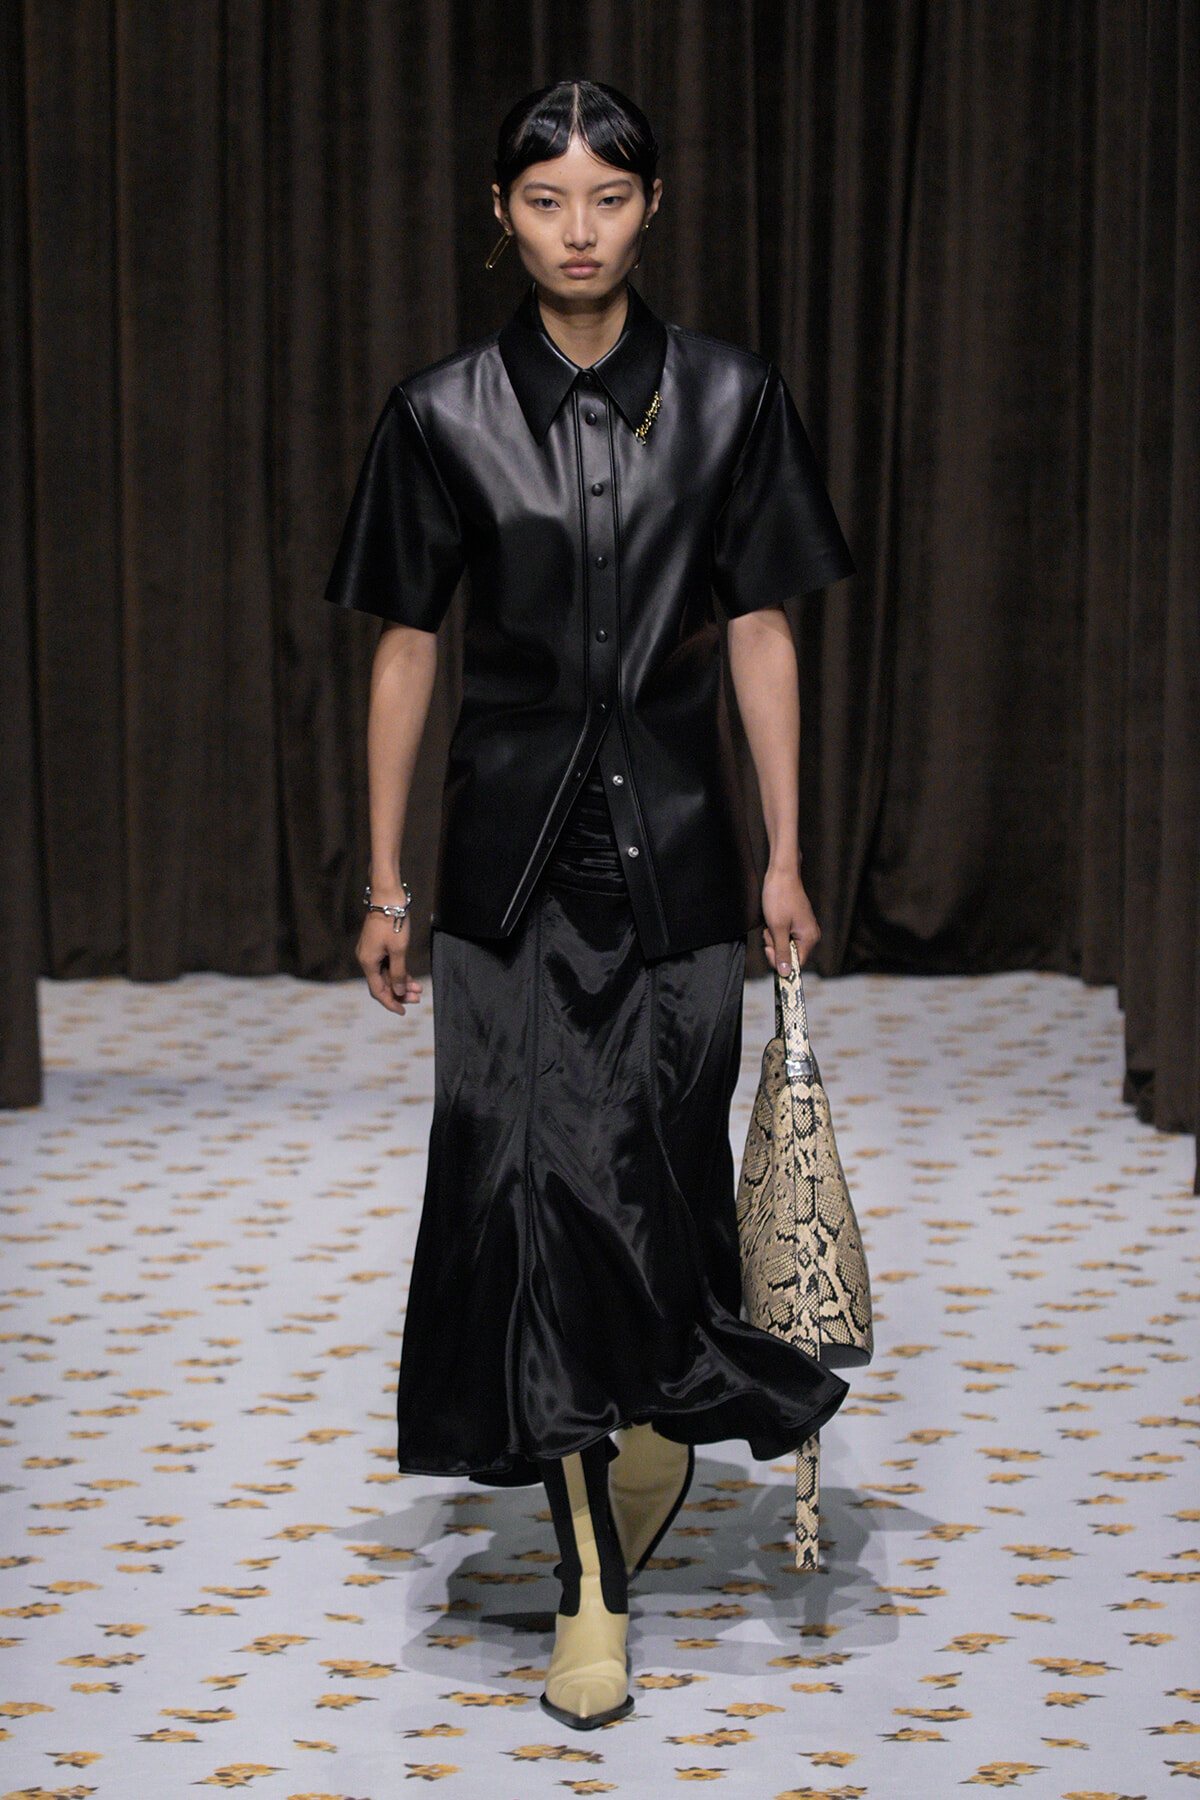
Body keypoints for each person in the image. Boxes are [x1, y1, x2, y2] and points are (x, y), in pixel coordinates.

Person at [324, 77, 855, 1732]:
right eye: (544, 201)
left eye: (605, 201)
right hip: (504, 876)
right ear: (501, 213)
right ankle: (587, 1589)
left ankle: (641, 1416)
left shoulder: (731, 399)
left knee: (654, 1182)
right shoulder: (436, 415)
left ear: (652, 206)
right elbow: (408, 642)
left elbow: (763, 625)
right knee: (531, 1193)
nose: (575, 231)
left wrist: (780, 853)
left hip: (685, 852)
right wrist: (386, 877)